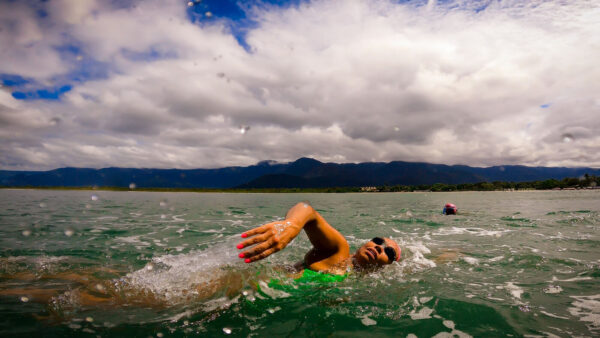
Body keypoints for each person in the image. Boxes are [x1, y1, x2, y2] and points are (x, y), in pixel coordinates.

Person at [236, 202, 401, 275]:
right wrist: (291, 225)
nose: (380, 247)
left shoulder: (354, 277)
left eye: (389, 252)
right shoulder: (339, 251)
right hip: (239, 285)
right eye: (378, 241)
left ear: (387, 266)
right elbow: (306, 209)